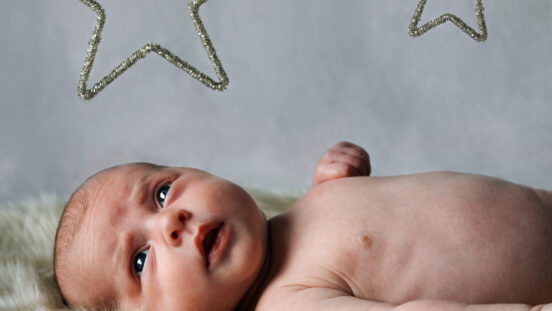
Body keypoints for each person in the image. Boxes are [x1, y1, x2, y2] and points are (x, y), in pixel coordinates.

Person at [54, 142, 552, 311]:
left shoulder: (285, 224)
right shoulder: (287, 301)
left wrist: (331, 188)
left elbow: (362, 237)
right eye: (139, 261)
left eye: (161, 193)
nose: (171, 222)